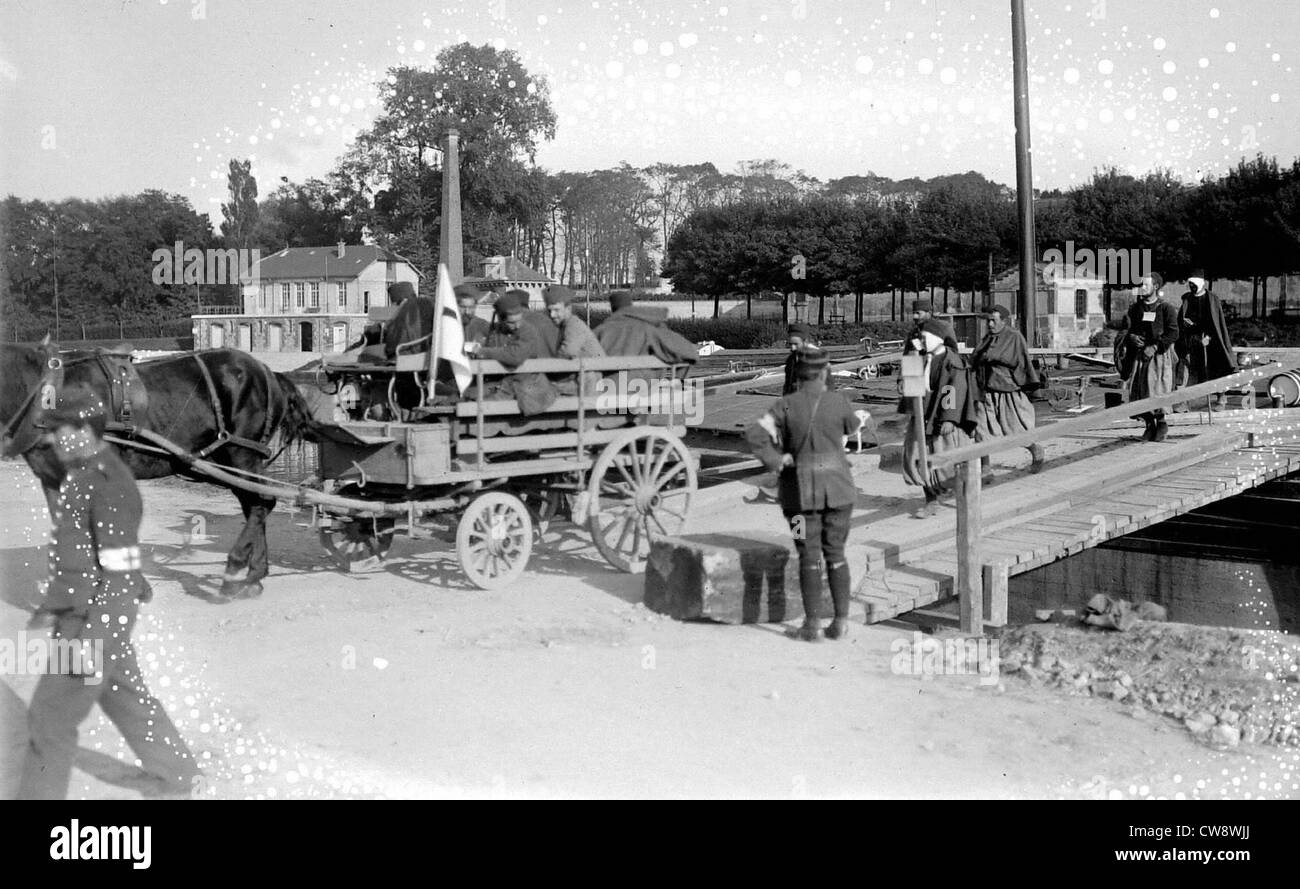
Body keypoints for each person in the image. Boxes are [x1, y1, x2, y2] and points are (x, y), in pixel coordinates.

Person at [19, 389, 200, 799]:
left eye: (59, 431)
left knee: (48, 722)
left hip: (92, 622)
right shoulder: (83, 474)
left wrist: (93, 642)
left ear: (84, 431)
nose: (50, 440)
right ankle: (180, 776)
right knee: (127, 700)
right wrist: (51, 608)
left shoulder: (109, 484)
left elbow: (122, 578)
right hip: (85, 618)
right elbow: (78, 556)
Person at [746, 345, 862, 642]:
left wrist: (775, 460)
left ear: (798, 373)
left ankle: (811, 626)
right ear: (825, 372)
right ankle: (840, 622)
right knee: (836, 554)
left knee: (807, 555)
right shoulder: (839, 402)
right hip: (839, 492)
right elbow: (851, 425)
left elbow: (755, 434)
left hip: (799, 497)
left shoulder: (785, 405)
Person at [900, 321, 981, 519]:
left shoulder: (952, 361)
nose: (922, 341)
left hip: (942, 417)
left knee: (947, 461)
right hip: (922, 415)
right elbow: (912, 387)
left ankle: (963, 497)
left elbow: (953, 389)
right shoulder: (918, 358)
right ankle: (931, 500)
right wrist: (909, 371)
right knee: (918, 458)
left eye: (925, 338)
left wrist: (949, 419)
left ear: (937, 339)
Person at [970, 305, 1044, 478]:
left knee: (1016, 431)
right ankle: (986, 469)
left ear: (1004, 321)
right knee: (982, 432)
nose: (989, 324)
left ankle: (1036, 450)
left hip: (1007, 391)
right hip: (985, 392)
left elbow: (1021, 361)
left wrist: (994, 357)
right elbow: (976, 359)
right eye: (987, 321)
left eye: (993, 321)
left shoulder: (1014, 337)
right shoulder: (986, 339)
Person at [465, 289, 559, 414]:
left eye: (519, 320)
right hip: (500, 381)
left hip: (524, 383)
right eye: (511, 322)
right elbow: (491, 346)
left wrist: (484, 351)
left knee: (479, 405)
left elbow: (515, 356)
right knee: (464, 395)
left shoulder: (527, 330)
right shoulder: (496, 331)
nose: (517, 325)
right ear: (501, 318)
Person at [1116, 272, 1179, 441]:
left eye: (1145, 285)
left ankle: (1161, 424)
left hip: (1158, 358)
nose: (1141, 288)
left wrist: (1155, 346)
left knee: (1157, 391)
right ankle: (1149, 425)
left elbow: (1173, 333)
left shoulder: (1166, 308)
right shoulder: (1135, 309)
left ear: (1155, 287)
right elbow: (1126, 329)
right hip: (1139, 358)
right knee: (1139, 392)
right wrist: (1131, 337)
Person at [594, 291, 699, 377]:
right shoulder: (647, 329)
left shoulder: (599, 331)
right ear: (631, 306)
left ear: (612, 309)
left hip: (603, 393)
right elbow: (689, 352)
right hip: (642, 392)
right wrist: (678, 380)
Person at [1174, 270, 1235, 412]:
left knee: (1216, 369)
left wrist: (1208, 338)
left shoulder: (1212, 299)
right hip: (1192, 341)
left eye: (1194, 284)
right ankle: (1185, 402)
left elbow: (1216, 323)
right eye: (1190, 284)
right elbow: (1181, 321)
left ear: (1201, 283)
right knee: (1190, 372)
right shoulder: (1187, 299)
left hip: (1211, 342)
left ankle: (1221, 397)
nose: (1192, 287)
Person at [545, 284, 605, 393]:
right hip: (583, 378)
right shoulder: (565, 326)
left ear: (568, 308)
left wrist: (547, 369)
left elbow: (568, 351)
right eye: (549, 311)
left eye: (556, 310)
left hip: (590, 382)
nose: (552, 315)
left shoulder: (573, 325)